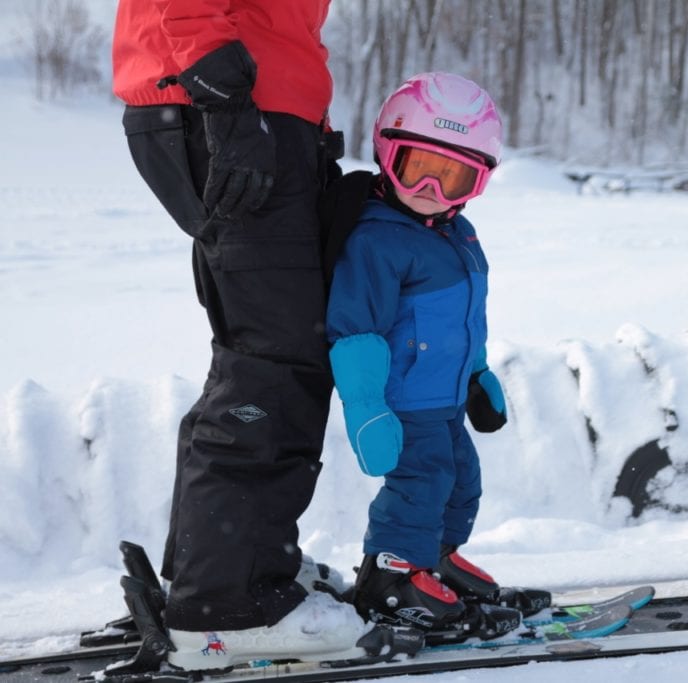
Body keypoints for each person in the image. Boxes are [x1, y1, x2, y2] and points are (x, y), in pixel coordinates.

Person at [112, 0, 366, 670]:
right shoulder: (224, 92)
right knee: (274, 358)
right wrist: (223, 92)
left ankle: (234, 561)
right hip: (228, 105)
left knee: (272, 347)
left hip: (262, 113)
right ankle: (226, 602)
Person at [325, 72, 512, 631]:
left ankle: (435, 563)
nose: (430, 188)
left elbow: (461, 319)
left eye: (452, 176)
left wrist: (478, 374)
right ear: (388, 152)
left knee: (461, 480)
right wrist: (366, 406)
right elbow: (354, 329)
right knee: (421, 484)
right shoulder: (376, 239)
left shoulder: (458, 235)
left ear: (476, 183)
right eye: (417, 167)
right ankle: (390, 578)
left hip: (447, 398)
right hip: (406, 402)